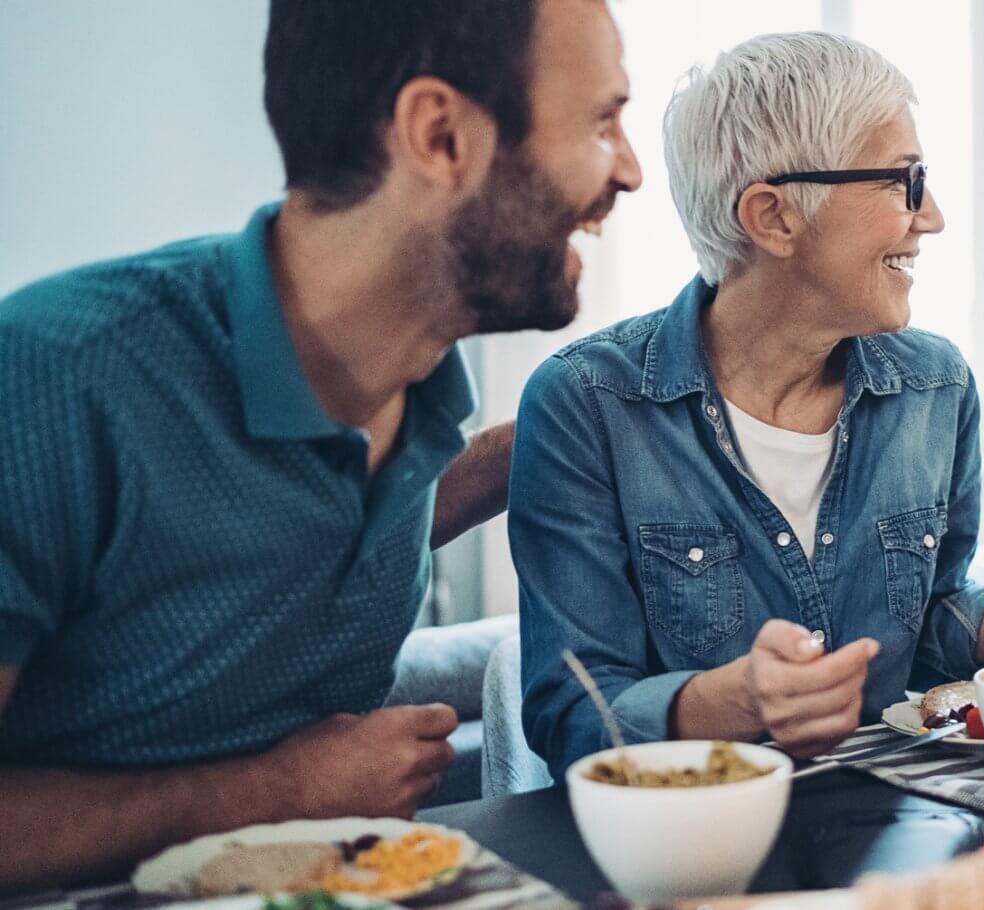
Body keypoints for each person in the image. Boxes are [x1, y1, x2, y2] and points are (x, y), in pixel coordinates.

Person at [0, 0, 639, 890]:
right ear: (440, 134)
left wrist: (567, 425)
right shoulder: (51, 377)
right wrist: (270, 791)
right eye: (603, 121)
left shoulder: (411, 393)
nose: (632, 171)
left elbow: (297, 532)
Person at [511, 32, 984, 774]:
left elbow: (926, 648)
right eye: (904, 182)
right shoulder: (584, 406)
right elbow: (572, 715)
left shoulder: (937, 387)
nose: (933, 215)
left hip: (886, 820)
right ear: (773, 217)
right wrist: (735, 701)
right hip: (691, 841)